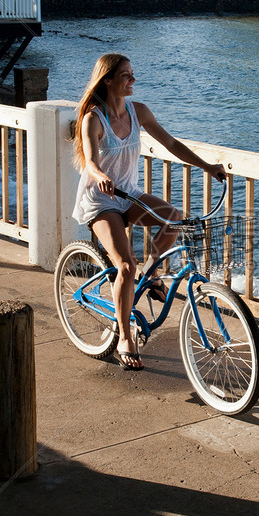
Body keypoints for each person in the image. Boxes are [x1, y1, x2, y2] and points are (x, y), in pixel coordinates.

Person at [72, 53, 225, 370]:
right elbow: (90, 160)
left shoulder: (137, 111)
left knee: (175, 217)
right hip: (101, 199)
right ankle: (125, 337)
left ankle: (151, 271)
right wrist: (100, 176)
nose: (133, 80)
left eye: (132, 73)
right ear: (108, 79)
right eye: (126, 75)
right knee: (125, 265)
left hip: (129, 194)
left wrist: (208, 167)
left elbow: (171, 144)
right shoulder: (94, 119)